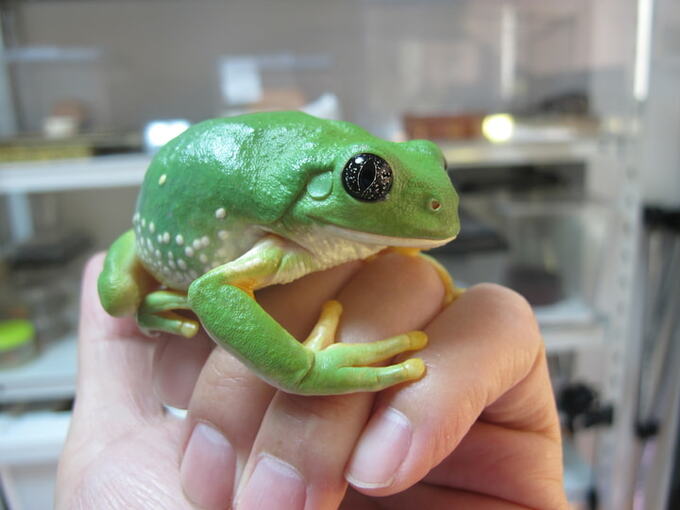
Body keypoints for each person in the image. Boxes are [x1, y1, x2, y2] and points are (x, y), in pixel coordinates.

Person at [56, 252, 569, 510]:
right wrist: (302, 368)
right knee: (120, 292)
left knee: (403, 273)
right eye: (369, 178)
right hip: (187, 245)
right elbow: (211, 292)